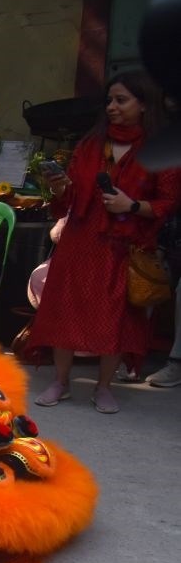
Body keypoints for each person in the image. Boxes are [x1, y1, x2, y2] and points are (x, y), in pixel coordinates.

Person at [31, 70, 181, 415]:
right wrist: (60, 187)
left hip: (124, 246)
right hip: (80, 241)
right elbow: (70, 196)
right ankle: (61, 382)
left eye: (121, 100)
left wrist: (132, 205)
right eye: (109, 100)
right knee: (66, 310)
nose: (112, 107)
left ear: (144, 105)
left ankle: (103, 387)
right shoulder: (90, 145)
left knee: (115, 317)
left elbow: (167, 202)